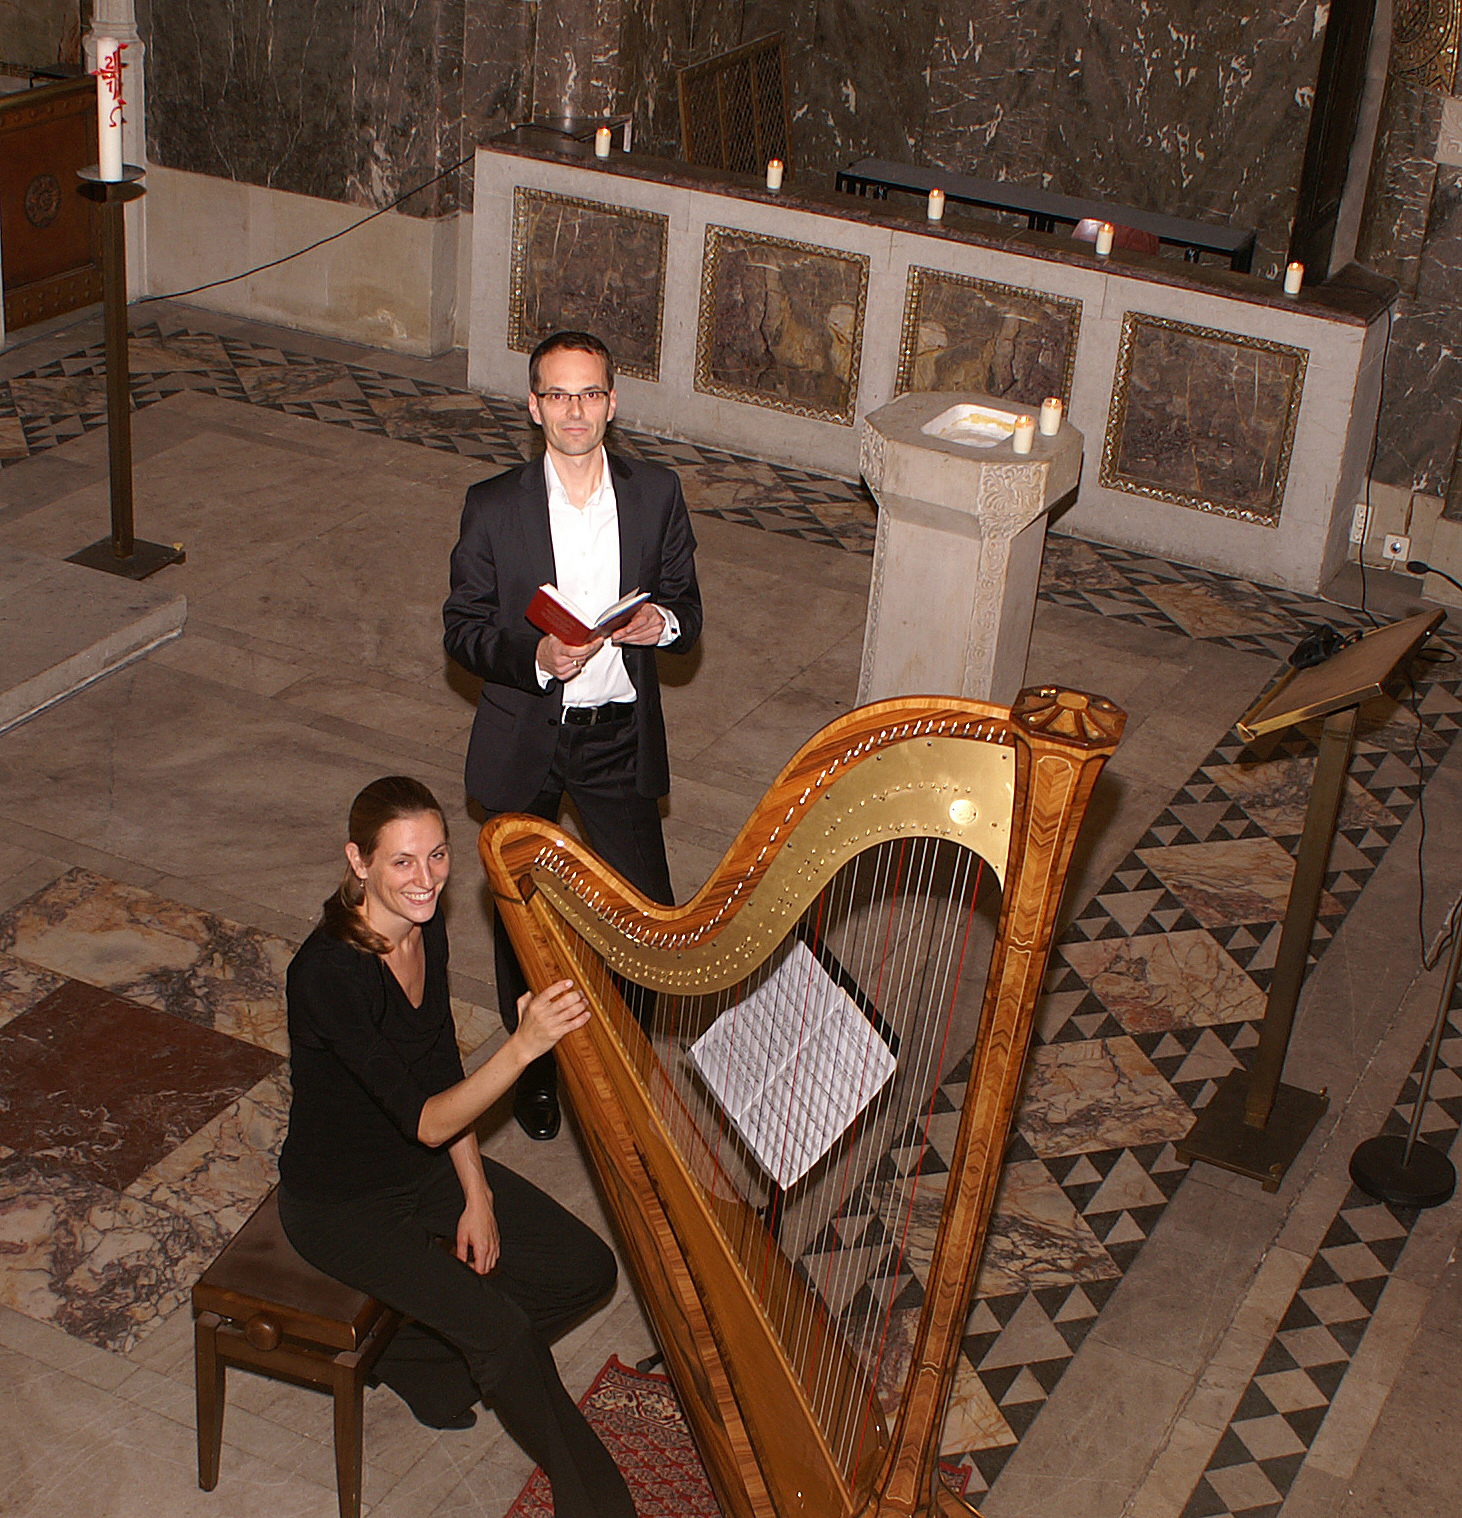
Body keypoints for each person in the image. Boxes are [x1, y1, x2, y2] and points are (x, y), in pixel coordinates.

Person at [277, 775, 635, 1518]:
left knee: (584, 1269)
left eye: (437, 856)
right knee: (502, 1332)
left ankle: (421, 1363)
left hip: (423, 1171)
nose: (426, 879)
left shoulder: (423, 926)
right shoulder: (326, 974)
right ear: (358, 861)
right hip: (340, 1206)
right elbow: (428, 1119)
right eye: (403, 862)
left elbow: (439, 1062)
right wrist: (523, 1047)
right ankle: (601, 1506)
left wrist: (478, 1193)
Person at [443, 330, 702, 1141]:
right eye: (558, 394)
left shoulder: (656, 494)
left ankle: (617, 1060)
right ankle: (537, 1074)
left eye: (589, 393)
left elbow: (688, 614)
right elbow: (462, 631)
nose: (574, 411)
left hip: (617, 734)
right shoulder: (494, 505)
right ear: (533, 405)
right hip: (528, 732)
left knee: (646, 914)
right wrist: (537, 655)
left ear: (612, 403)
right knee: (524, 917)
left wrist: (660, 624)